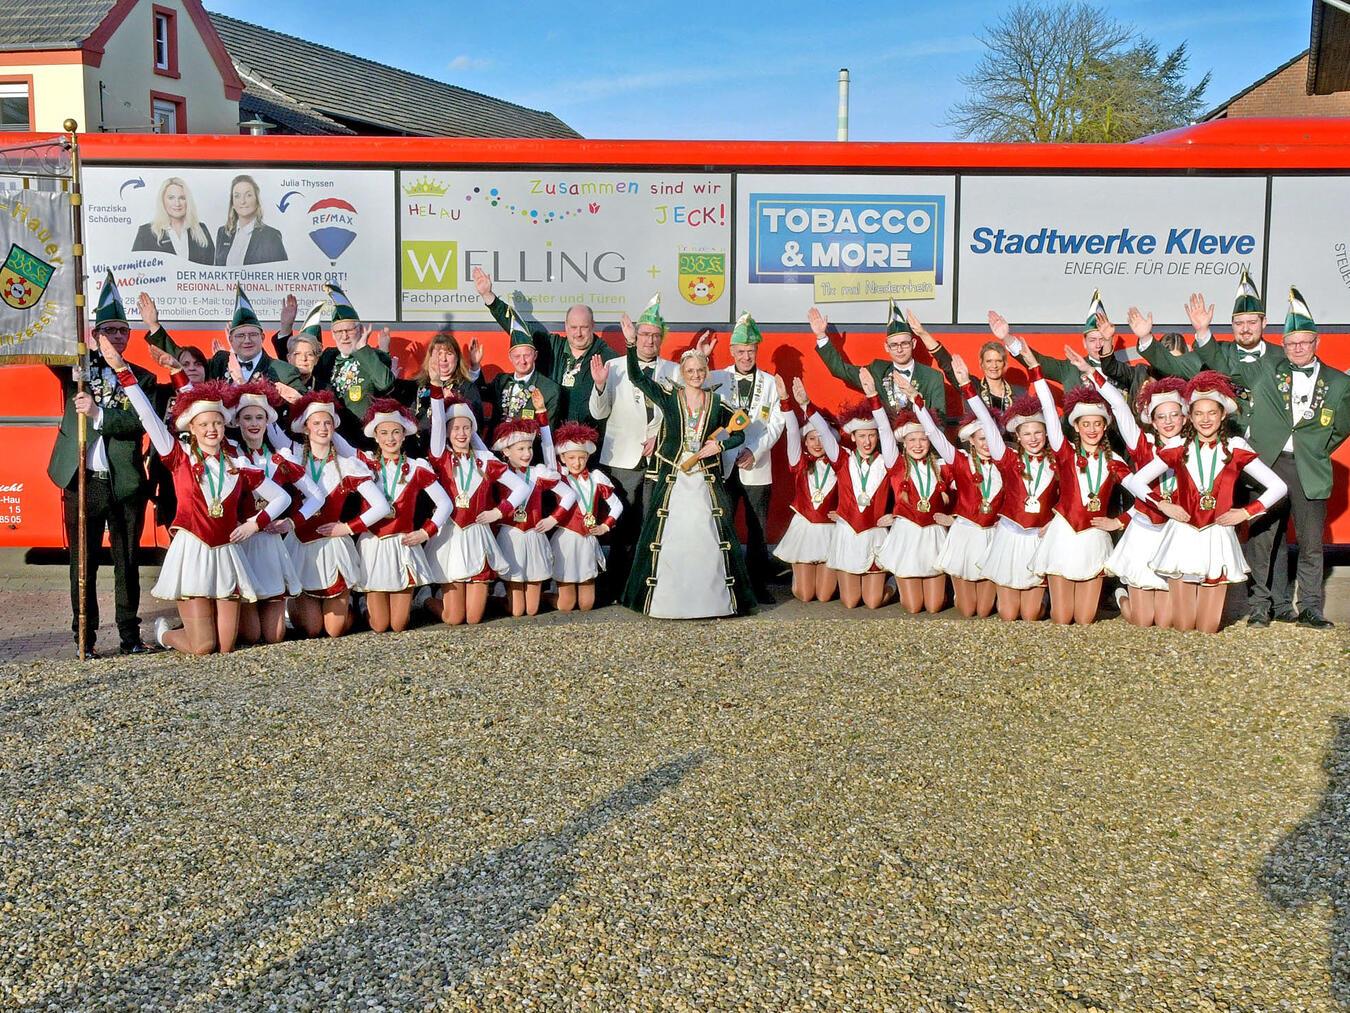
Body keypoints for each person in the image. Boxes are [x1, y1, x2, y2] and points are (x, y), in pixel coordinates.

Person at [96, 336, 291, 655]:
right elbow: (148, 417)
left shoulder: (237, 463)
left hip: (227, 554)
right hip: (193, 552)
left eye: (216, 423)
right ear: (193, 428)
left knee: (227, 647)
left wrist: (255, 524)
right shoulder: (179, 456)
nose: (211, 429)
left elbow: (280, 497)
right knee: (204, 646)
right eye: (204, 424)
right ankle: (166, 634)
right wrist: (123, 372)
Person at [1123, 371, 1288, 633]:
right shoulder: (1179, 445)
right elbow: (1135, 481)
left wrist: (1246, 513)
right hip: (1183, 533)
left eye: (1212, 412)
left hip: (1218, 535)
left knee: (1209, 627)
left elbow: (1279, 486)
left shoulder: (1235, 447)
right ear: (1190, 416)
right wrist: (1164, 505)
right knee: (1184, 626)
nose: (1205, 419)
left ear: (1223, 414)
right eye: (1199, 413)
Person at [46, 271, 155, 656]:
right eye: (108, 330)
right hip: (82, 480)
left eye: (122, 331)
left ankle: (129, 636)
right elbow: (50, 347)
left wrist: (96, 414)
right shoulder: (77, 369)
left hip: (124, 481)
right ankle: (84, 639)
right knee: (83, 563)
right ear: (95, 334)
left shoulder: (143, 378)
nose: (116, 337)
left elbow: (140, 422)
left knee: (126, 563)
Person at [618, 316, 756, 618]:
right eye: (690, 371)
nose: (695, 375)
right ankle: (668, 602)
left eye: (700, 370)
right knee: (672, 540)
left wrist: (719, 445)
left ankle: (710, 601)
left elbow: (740, 432)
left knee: (705, 538)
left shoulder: (718, 403)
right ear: (682, 373)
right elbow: (637, 378)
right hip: (674, 479)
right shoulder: (669, 398)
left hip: (705, 482)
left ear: (706, 373)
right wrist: (630, 345)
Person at [1237, 289, 1350, 628]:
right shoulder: (1268, 371)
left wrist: (1315, 450)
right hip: (1270, 465)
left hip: (1308, 467)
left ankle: (1311, 608)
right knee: (1264, 539)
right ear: (1283, 345)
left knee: (1311, 541)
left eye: (1304, 342)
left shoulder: (1338, 381)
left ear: (1315, 342)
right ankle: (1263, 605)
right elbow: (1218, 363)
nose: (1297, 348)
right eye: (1291, 343)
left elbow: (1342, 426)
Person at [1022, 346, 1131, 626]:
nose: (1092, 430)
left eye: (1097, 424)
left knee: (1084, 620)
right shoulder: (1065, 451)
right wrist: (1035, 369)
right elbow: (1048, 409)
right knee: (1061, 619)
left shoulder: (1115, 460)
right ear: (1076, 426)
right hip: (1063, 534)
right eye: (1086, 424)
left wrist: (1119, 521)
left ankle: (1118, 593)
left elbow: (1145, 495)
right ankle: (1048, 598)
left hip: (1094, 537)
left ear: (1105, 427)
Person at [587, 294, 679, 592]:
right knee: (621, 523)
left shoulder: (674, 371)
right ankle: (616, 584)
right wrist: (600, 385)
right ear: (635, 336)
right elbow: (598, 412)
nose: (649, 340)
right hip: (622, 458)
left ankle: (646, 585)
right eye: (644, 334)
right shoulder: (614, 367)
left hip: (658, 458)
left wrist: (659, 435)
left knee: (652, 522)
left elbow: (679, 414)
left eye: (655, 335)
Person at [281, 390, 390, 638]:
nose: (322, 428)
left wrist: (348, 528)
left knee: (334, 630)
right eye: (316, 423)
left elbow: (381, 506)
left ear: (334, 428)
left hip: (334, 546)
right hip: (301, 546)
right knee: (311, 629)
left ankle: (354, 605)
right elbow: (270, 432)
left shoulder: (347, 464)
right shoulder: (296, 457)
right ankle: (295, 606)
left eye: (327, 423)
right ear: (306, 427)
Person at [425, 386, 530, 625]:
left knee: (473, 619)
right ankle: (428, 601)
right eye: (455, 428)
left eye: (466, 427)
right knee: (454, 618)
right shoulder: (441, 457)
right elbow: (438, 421)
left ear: (473, 429)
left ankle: (487, 598)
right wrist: (435, 387)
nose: (461, 433)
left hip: (477, 537)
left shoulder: (486, 460)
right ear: (447, 431)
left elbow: (522, 488)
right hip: (451, 536)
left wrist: (497, 511)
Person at [910, 359, 1003, 619]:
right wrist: (917, 402)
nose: (986, 445)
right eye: (981, 439)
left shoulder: (1007, 463)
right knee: (968, 610)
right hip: (965, 533)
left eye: (990, 439)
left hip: (992, 534)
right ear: (971, 440)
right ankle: (958, 592)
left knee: (984, 611)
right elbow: (934, 434)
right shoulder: (960, 460)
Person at [352, 399, 451, 633]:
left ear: (404, 435)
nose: (390, 438)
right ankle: (362, 605)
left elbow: (445, 503)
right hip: (374, 546)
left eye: (396, 432)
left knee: (398, 625)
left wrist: (426, 531)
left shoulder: (417, 467)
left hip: (402, 544)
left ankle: (420, 598)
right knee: (379, 626)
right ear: (375, 436)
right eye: (384, 433)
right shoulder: (365, 464)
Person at [962, 380, 1058, 623]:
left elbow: (1068, 496)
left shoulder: (1057, 462)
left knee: (1031, 615)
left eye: (1038, 432)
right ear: (1017, 436)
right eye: (1026, 434)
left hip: (1038, 537)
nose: (1033, 439)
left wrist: (1056, 520)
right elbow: (986, 423)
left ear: (1047, 434)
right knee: (1008, 615)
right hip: (1010, 535)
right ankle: (1004, 597)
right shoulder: (1007, 458)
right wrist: (967, 386)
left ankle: (1045, 599)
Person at [707, 312, 785, 602]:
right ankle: (725, 583)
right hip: (723, 465)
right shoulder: (717, 378)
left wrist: (756, 450)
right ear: (731, 351)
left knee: (757, 528)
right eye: (740, 351)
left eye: (750, 351)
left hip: (757, 464)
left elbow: (777, 423)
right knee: (722, 523)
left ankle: (757, 586)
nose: (745, 356)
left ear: (757, 351)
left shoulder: (769, 383)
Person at [472, 266, 616, 422]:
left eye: (584, 327)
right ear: (566, 326)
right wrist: (489, 297)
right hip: (551, 435)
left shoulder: (607, 356)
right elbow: (517, 327)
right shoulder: (551, 345)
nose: (578, 333)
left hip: (588, 440)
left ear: (593, 325)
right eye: (574, 327)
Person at [226, 379, 305, 645]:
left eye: (259, 417)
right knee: (251, 635)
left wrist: (292, 523)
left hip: (270, 543)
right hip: (243, 542)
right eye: (247, 417)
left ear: (268, 421)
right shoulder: (232, 455)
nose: (253, 422)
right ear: (237, 422)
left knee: (273, 637)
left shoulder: (280, 455)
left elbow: (315, 495)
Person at [811, 372, 894, 610]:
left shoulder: (887, 459)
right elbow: (825, 434)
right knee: (849, 602)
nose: (867, 441)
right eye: (862, 436)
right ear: (853, 436)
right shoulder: (843, 458)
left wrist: (873, 397)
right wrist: (805, 405)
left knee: (873, 602)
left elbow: (888, 431)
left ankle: (892, 585)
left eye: (871, 435)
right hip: (848, 533)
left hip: (875, 532)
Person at [874, 400, 952, 615]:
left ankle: (947, 588)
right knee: (914, 607)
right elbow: (884, 430)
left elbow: (966, 493)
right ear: (903, 443)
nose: (917, 445)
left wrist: (953, 517)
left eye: (923, 439)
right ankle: (893, 582)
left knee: (935, 607)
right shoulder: (897, 464)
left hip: (933, 535)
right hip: (907, 534)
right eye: (912, 440)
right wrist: (873, 396)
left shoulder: (942, 467)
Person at [492, 412, 572, 617]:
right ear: (506, 452)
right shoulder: (501, 472)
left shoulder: (538, 473)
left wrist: (553, 519)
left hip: (534, 535)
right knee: (518, 611)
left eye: (529, 448)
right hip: (512, 535)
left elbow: (569, 495)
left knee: (533, 610)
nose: (527, 453)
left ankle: (534, 594)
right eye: (520, 449)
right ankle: (501, 596)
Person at [142, 285, 302, 386]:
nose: (247, 340)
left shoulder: (284, 371)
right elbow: (183, 360)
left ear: (262, 337)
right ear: (231, 340)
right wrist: (153, 325)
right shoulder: (220, 362)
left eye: (252, 334)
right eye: (240, 336)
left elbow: (305, 409)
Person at [1135, 270, 1275, 386]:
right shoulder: (1215, 352)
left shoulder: (1282, 356)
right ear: (1232, 324)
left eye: (1252, 322)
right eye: (1239, 323)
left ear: (1264, 323)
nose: (1245, 329)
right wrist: (1146, 337)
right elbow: (1173, 365)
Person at [810, 301, 945, 414]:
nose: (899, 349)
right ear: (886, 347)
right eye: (894, 345)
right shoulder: (877, 370)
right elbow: (841, 370)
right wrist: (821, 336)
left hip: (920, 444)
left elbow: (940, 421)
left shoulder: (933, 377)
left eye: (904, 343)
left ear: (913, 344)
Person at [774, 376, 839, 604]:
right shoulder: (799, 462)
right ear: (806, 441)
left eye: (822, 438)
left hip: (829, 530)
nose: (817, 443)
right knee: (804, 595)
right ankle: (802, 574)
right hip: (804, 528)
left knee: (824, 596)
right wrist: (785, 400)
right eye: (812, 438)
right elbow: (792, 431)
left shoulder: (840, 463)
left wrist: (806, 404)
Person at [308, 283, 398, 441]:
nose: (344, 336)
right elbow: (300, 370)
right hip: (331, 437)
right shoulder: (328, 357)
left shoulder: (375, 356)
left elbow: (385, 383)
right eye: (339, 332)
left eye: (349, 330)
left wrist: (362, 349)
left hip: (363, 438)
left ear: (360, 330)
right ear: (333, 334)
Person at [551, 422, 623, 613]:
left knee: (586, 605)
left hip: (588, 540)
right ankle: (546, 597)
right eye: (571, 458)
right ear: (562, 458)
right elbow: (546, 448)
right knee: (566, 606)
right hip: (567, 538)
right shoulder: (560, 477)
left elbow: (617, 505)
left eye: (581, 457)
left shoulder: (597, 478)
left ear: (588, 457)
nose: (577, 462)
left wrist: (605, 526)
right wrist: (541, 412)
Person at [911, 309, 1022, 415]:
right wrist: (922, 333)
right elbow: (945, 362)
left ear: (1005, 364)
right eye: (989, 361)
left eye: (998, 361)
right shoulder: (972, 386)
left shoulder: (1018, 393)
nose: (994, 366)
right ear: (981, 364)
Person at [396, 331, 484, 454]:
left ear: (457, 358)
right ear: (430, 357)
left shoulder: (466, 388)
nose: (443, 359)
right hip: (418, 455)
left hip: (451, 458)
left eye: (449, 353)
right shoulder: (417, 386)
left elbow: (476, 426)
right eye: (438, 353)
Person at [482, 308, 562, 427]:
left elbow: (547, 432)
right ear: (510, 357)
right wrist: (474, 368)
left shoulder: (550, 389)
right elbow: (478, 393)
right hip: (495, 444)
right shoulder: (501, 381)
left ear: (535, 355)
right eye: (517, 356)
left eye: (527, 355)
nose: (522, 361)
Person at [132, 176, 215, 265]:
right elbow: (136, 270)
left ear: (188, 201)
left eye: (182, 198)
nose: (177, 203)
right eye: (171, 198)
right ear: (163, 200)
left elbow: (212, 268)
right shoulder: (146, 233)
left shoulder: (201, 230)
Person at [214, 174, 287, 266]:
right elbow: (216, 272)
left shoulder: (271, 236)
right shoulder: (223, 233)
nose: (242, 201)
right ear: (232, 203)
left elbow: (281, 274)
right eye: (237, 196)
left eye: (248, 195)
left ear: (257, 200)